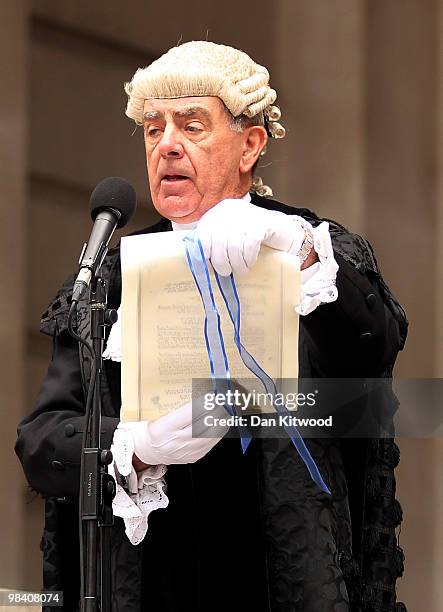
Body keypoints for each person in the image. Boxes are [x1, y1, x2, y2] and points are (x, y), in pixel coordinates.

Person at [15, 41, 408, 612]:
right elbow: (40, 439)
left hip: (276, 579)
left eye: (192, 125)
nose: (167, 144)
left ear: (250, 144)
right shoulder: (112, 276)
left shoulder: (313, 249)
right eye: (153, 129)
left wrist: (298, 252)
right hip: (154, 580)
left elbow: (375, 349)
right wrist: (137, 451)